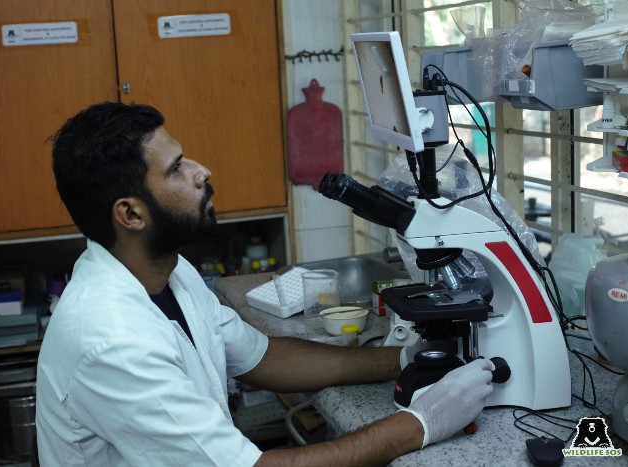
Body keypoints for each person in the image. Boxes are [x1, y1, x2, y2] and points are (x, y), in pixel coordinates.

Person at [36, 102, 495, 466]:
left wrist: (401, 360)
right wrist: (420, 424)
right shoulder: (111, 338)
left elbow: (262, 357)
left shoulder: (167, 272)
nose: (202, 171)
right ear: (131, 214)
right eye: (176, 169)